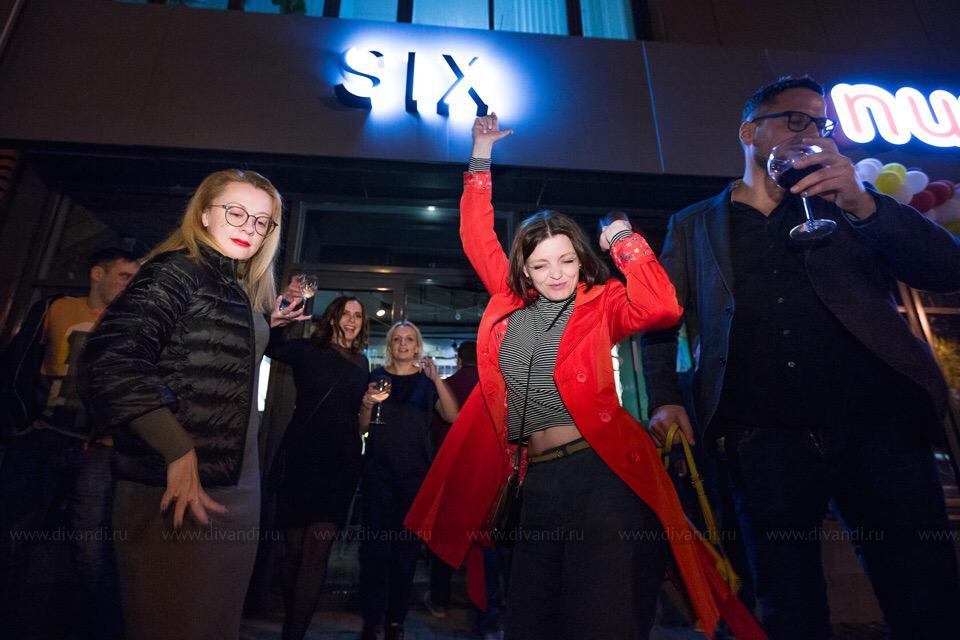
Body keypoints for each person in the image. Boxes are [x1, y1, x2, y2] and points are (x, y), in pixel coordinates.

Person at [405, 115, 763, 640]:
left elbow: (663, 308)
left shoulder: (603, 302)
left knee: (602, 620)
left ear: (581, 260)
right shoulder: (509, 301)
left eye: (567, 260)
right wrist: (480, 154)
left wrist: (623, 239)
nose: (555, 274)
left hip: (603, 475)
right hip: (534, 479)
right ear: (524, 270)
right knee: (530, 622)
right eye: (541, 264)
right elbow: (476, 232)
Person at [641, 75, 960, 639]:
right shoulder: (694, 225)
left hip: (879, 429)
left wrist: (863, 203)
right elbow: (660, 321)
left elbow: (945, 270)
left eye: (821, 123)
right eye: (796, 120)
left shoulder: (850, 201)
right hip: (763, 441)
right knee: (786, 604)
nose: (812, 132)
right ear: (748, 132)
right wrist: (666, 399)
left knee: (923, 593)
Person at [79, 169, 305, 640]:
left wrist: (266, 325)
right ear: (203, 215)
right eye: (235, 213)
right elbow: (110, 363)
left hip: (234, 482)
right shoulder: (177, 270)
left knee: (214, 622)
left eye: (261, 221)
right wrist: (177, 449)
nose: (248, 228)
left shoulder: (236, 287)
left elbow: (208, 356)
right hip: (180, 483)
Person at [0, 247, 138, 640]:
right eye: (124, 276)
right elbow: (18, 362)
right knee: (13, 530)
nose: (130, 285)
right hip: (42, 435)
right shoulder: (56, 309)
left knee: (90, 543)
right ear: (98, 273)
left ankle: (86, 628)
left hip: (98, 447)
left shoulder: (133, 324)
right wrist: (20, 420)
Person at [266, 293, 371, 640]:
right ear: (333, 317)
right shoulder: (310, 350)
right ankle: (290, 622)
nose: (352, 320)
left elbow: (359, 420)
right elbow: (272, 348)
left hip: (340, 463)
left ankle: (293, 634)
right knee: (294, 553)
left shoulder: (363, 364)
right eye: (346, 313)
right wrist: (278, 320)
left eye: (358, 315)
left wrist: (369, 406)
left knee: (316, 553)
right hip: (301, 457)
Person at [358, 320, 459, 640]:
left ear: (417, 346)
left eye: (409, 339)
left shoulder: (427, 382)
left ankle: (395, 620)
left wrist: (437, 378)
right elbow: (363, 428)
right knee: (374, 552)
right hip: (377, 475)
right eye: (397, 339)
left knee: (405, 554)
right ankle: (372, 620)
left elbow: (453, 416)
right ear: (390, 345)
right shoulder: (376, 377)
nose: (403, 344)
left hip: (415, 477)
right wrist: (366, 404)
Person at [424, 340, 505, 640]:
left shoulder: (445, 386)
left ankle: (439, 599)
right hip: (485, 475)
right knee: (485, 548)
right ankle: (488, 617)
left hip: (450, 475)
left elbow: (433, 429)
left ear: (459, 360)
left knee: (446, 539)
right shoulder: (493, 389)